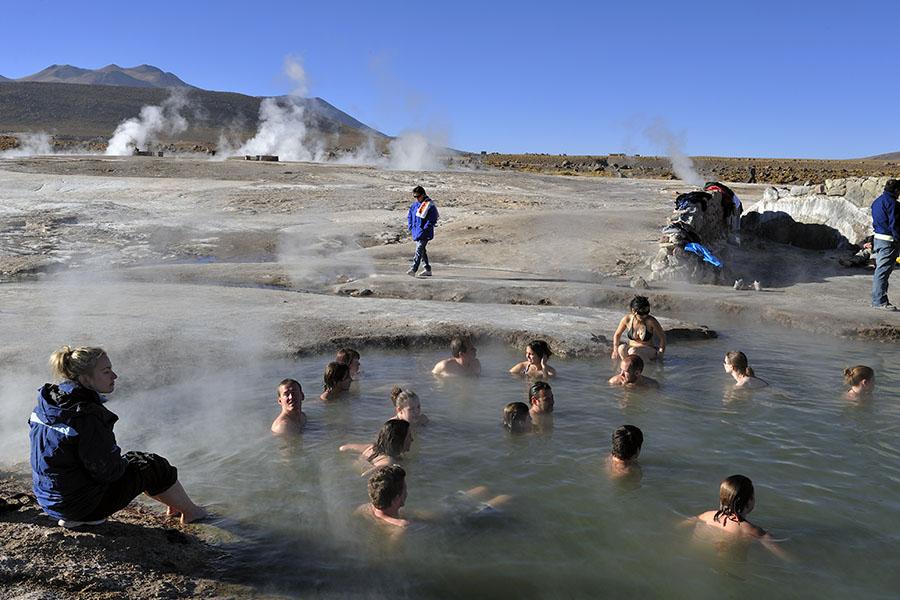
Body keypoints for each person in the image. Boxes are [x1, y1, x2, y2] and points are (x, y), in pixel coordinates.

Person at [29, 346, 207, 528]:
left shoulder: (48, 405)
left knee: (136, 463)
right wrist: (126, 462)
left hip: (49, 502)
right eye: (106, 372)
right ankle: (192, 513)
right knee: (152, 465)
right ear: (84, 379)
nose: (114, 376)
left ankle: (174, 505)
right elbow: (109, 472)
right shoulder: (87, 416)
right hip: (82, 508)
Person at [692, 474, 788, 560]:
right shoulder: (753, 531)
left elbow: (686, 522)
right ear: (749, 501)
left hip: (699, 556)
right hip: (731, 567)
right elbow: (782, 554)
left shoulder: (707, 515)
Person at [340, 418, 413, 475]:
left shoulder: (372, 448)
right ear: (399, 440)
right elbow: (365, 475)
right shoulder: (388, 463)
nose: (412, 439)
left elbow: (344, 448)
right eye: (409, 436)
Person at [870, 179, 900, 310]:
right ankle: (879, 301)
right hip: (888, 240)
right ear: (896, 191)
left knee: (881, 270)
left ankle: (880, 299)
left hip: (878, 239)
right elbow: (895, 225)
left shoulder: (877, 202)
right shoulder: (893, 204)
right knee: (882, 271)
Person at [611, 296, 666, 362]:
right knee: (621, 348)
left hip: (648, 350)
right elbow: (617, 334)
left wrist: (660, 354)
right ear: (633, 311)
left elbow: (662, 337)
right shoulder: (627, 319)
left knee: (633, 351)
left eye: (647, 312)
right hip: (632, 348)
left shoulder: (651, 321)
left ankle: (648, 366)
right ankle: (626, 368)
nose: (645, 315)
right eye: (641, 313)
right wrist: (615, 350)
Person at [406, 185, 439, 277]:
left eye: (418, 196)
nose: (416, 198)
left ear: (423, 195)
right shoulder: (415, 205)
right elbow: (410, 216)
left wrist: (425, 228)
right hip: (416, 231)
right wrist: (411, 226)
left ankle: (413, 269)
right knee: (422, 251)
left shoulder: (429, 205)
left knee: (419, 250)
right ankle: (427, 269)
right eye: (415, 197)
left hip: (424, 232)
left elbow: (433, 219)